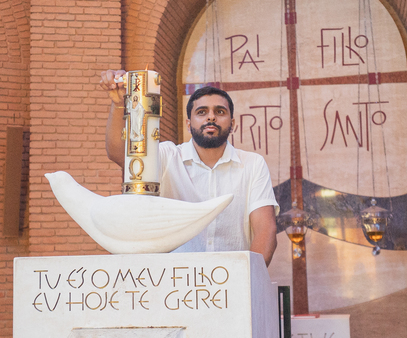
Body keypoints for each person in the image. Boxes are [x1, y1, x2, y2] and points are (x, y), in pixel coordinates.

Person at [99, 70, 277, 263]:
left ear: (232, 123)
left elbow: (265, 230)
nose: (211, 118)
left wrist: (247, 279)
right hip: (176, 283)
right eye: (202, 112)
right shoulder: (167, 156)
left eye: (220, 112)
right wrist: (118, 104)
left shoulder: (252, 164)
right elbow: (119, 154)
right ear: (188, 123)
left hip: (232, 281)